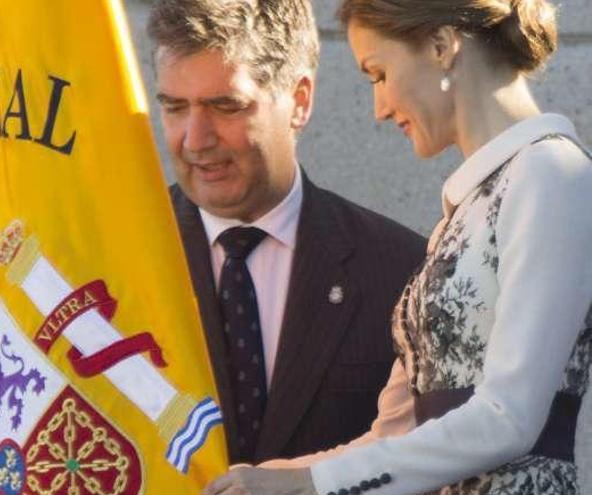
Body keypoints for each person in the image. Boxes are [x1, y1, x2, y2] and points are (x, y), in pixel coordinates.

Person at [203, 0, 592, 493]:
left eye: (379, 74)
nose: (379, 108)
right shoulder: (467, 211)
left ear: (441, 45)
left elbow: (507, 417)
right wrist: (268, 480)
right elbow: (395, 435)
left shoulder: (552, 174)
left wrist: (308, 484)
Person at [147, 0, 426, 466]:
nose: (195, 139)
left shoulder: (402, 272)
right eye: (175, 107)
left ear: (299, 101)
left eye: (225, 106)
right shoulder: (115, 259)